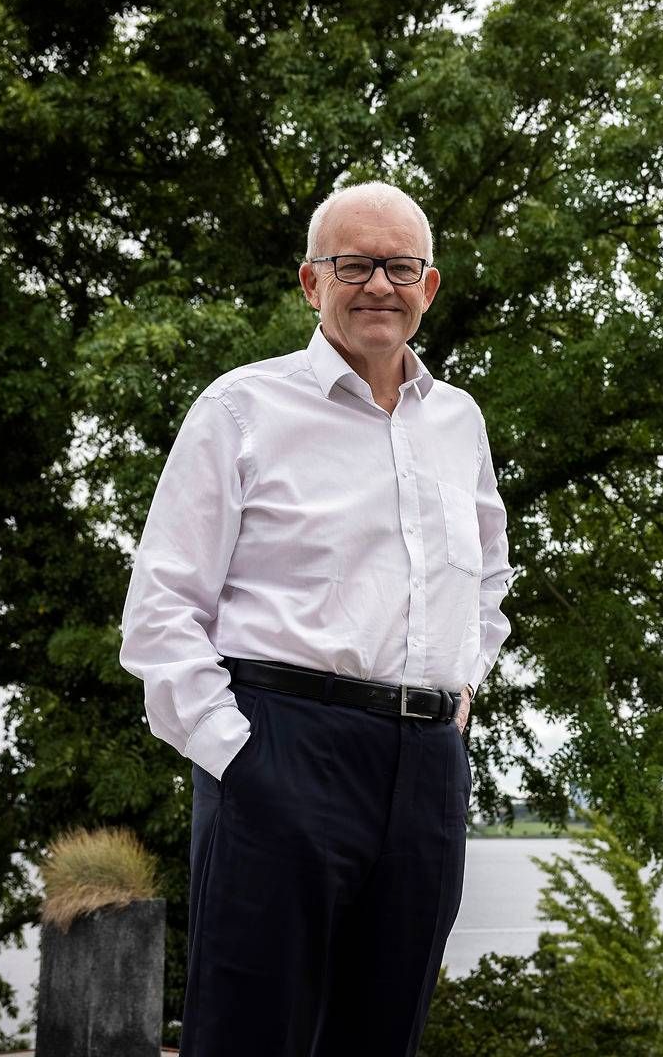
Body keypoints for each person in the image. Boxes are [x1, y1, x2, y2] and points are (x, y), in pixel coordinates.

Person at [119, 181, 513, 1055]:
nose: (380, 283)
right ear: (310, 282)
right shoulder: (240, 409)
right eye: (354, 264)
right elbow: (162, 609)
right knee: (251, 1033)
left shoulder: (460, 422)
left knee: (384, 1033)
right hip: (279, 744)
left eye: (400, 266)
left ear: (430, 286)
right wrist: (241, 756)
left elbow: (487, 579)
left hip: (425, 768)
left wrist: (461, 695)